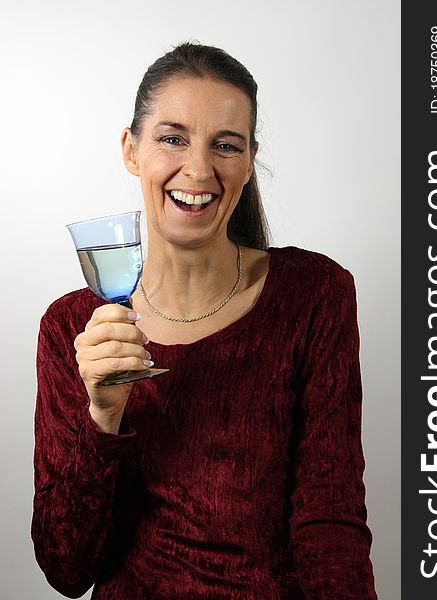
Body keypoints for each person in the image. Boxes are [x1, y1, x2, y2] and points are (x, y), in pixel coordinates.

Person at [32, 42, 377, 599]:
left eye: (225, 145)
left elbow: (330, 524)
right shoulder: (70, 326)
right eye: (172, 138)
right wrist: (102, 417)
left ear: (248, 160)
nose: (198, 168)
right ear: (131, 150)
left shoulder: (315, 295)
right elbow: (67, 570)